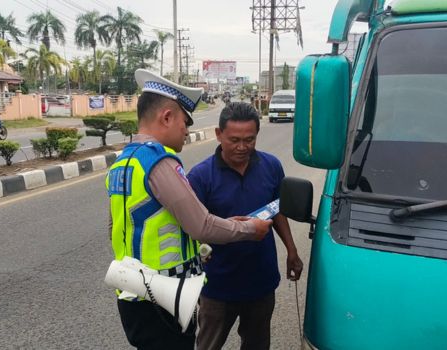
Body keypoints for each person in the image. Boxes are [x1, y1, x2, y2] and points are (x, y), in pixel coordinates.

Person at [106, 69, 273, 350]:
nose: (186, 129)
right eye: (185, 121)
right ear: (167, 117)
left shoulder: (123, 163)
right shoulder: (160, 163)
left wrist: (197, 248)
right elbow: (201, 225)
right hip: (164, 295)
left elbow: (120, 229)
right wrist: (249, 228)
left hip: (133, 291)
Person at [187, 102, 304, 350]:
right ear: (219, 135)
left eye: (249, 140)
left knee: (257, 344)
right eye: (234, 140)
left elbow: (277, 210)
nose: (242, 147)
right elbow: (192, 228)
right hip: (217, 285)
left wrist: (291, 250)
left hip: (260, 282)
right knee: (208, 345)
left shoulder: (271, 166)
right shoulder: (200, 177)